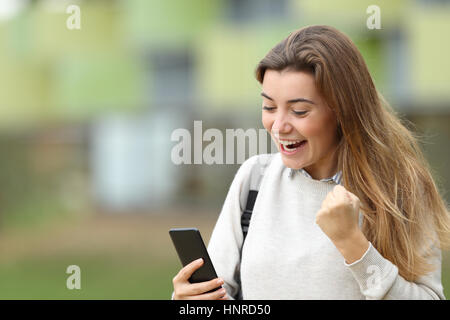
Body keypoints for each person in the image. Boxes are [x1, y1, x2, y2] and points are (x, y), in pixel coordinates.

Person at [171, 25, 450, 300]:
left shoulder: (401, 189)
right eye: (269, 107)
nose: (278, 126)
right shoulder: (254, 179)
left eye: (299, 110)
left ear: (342, 111)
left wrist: (354, 245)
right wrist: (189, 301)